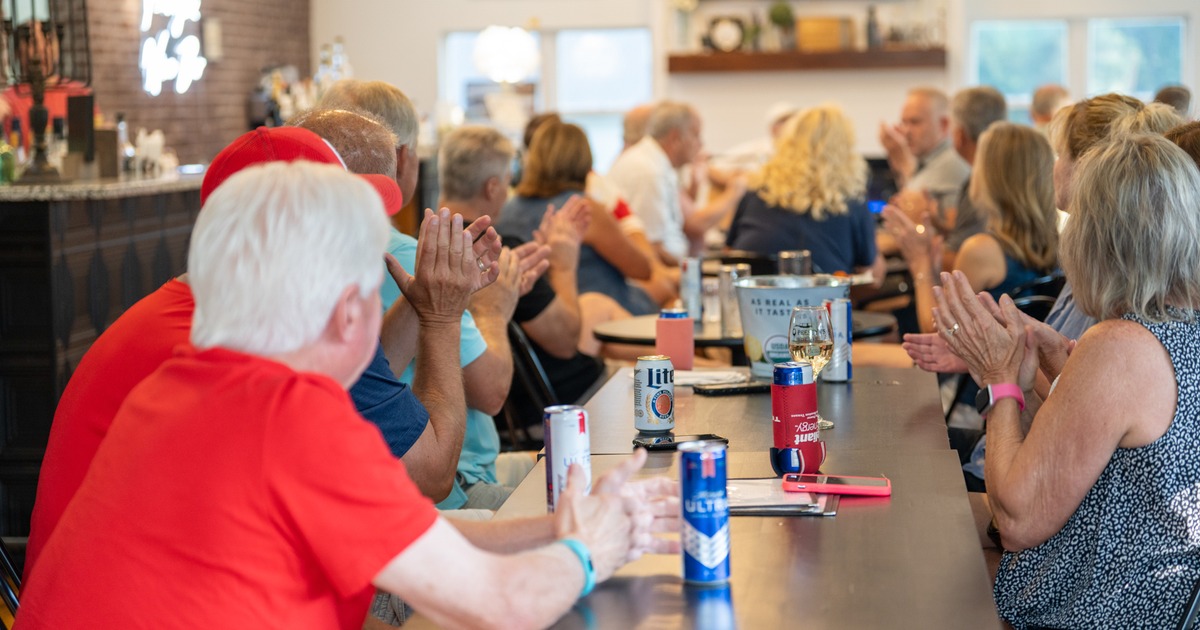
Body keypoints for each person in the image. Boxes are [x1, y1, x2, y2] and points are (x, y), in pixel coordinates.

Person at [15, 160, 681, 629]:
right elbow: (502, 606)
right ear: (349, 314)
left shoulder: (178, 389)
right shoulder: (293, 417)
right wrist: (594, 547)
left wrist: (562, 526)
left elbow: (414, 537)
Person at [20, 126, 492, 583]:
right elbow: (430, 476)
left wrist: (428, 301)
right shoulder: (268, 337)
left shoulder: (201, 310)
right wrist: (441, 317)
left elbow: (351, 397)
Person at [933, 133, 1200, 629]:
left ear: (1095, 239)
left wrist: (999, 379)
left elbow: (1016, 520)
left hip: (1096, 611)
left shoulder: (1121, 345)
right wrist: (1052, 368)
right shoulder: (1177, 332)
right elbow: (1127, 445)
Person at [318, 80, 537, 513]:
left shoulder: (214, 310)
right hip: (449, 491)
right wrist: (488, 311)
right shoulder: (386, 254)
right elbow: (488, 397)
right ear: (405, 160)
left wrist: (433, 299)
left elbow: (370, 369)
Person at [439, 125, 606, 427]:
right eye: (507, 182)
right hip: (551, 409)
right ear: (492, 188)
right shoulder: (495, 252)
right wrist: (564, 264)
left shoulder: (424, 247)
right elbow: (565, 340)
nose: (508, 191)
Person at [884, 122, 1058, 335]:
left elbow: (939, 331)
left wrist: (920, 263)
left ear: (989, 179)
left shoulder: (981, 250)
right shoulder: (1058, 244)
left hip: (974, 367)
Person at [501, 120, 658, 318]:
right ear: (585, 162)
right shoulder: (582, 209)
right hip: (600, 317)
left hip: (537, 322)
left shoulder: (506, 210)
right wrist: (633, 228)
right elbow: (642, 269)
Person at [725, 105, 885, 281]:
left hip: (753, 301)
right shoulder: (851, 201)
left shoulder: (757, 190)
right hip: (821, 304)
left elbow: (730, 253)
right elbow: (869, 274)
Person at [607, 101, 705, 266]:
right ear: (675, 138)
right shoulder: (648, 171)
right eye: (695, 135)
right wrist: (691, 272)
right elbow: (651, 249)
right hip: (656, 275)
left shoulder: (656, 163)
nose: (700, 144)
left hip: (671, 268)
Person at [879, 87, 971, 219]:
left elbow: (913, 214)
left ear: (943, 124)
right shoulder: (925, 161)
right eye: (904, 122)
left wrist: (904, 163)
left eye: (915, 122)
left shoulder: (952, 163)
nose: (906, 131)